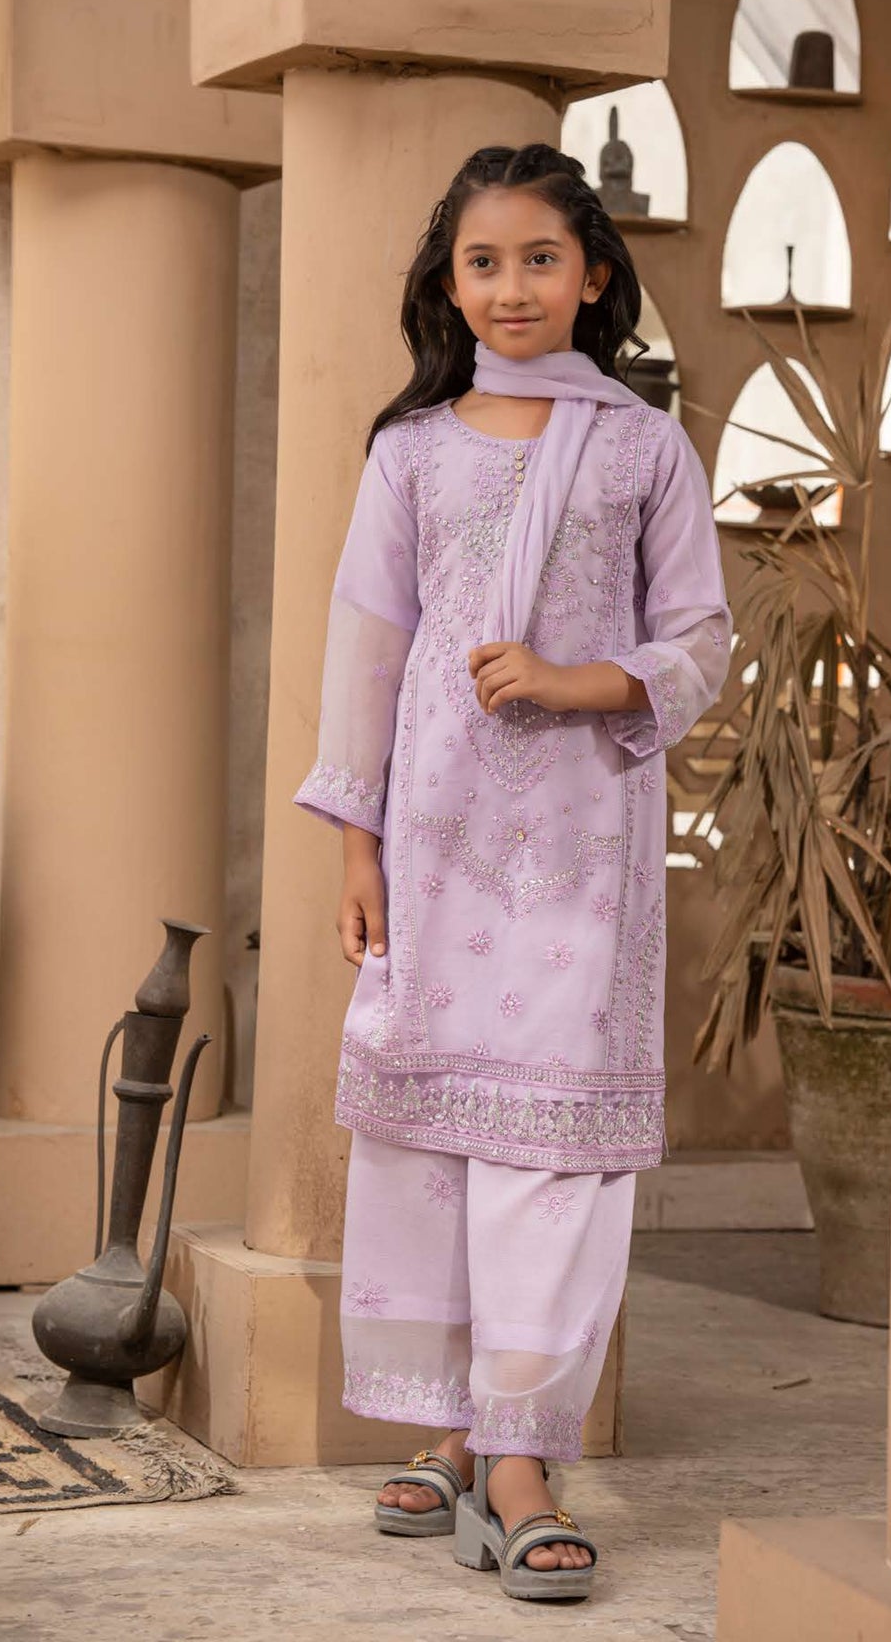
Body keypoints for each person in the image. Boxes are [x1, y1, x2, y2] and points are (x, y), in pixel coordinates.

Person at [295, 141, 731, 1602]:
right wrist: (355, 846)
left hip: (582, 842)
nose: (512, 286)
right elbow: (366, 647)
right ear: (450, 282)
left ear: (595, 275)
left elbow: (701, 639)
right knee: (431, 1128)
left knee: (553, 1141)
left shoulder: (643, 448)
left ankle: (524, 1454)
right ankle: (449, 1425)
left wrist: (573, 680)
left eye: (541, 257)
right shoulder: (412, 451)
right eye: (482, 262)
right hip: (434, 835)